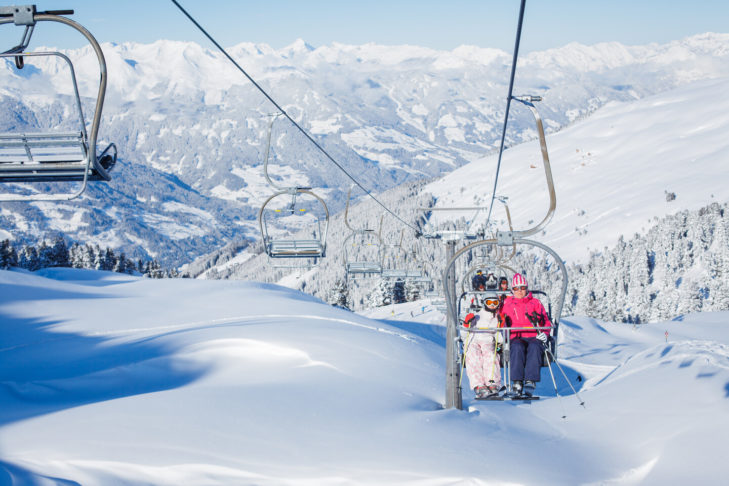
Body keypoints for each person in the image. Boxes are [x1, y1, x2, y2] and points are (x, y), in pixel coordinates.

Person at [500, 273, 551, 397]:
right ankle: (517, 382)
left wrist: (545, 333)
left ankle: (530, 381)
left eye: (522, 288)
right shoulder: (507, 304)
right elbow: (501, 320)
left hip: (534, 336)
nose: (519, 291)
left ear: (526, 288)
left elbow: (546, 321)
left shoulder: (535, 303)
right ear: (512, 290)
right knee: (517, 347)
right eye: (516, 288)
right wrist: (504, 329)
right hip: (516, 336)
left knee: (535, 346)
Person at [462, 292, 503, 398]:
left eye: (495, 302)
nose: (492, 305)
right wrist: (467, 324)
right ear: (484, 303)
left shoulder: (497, 318)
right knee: (473, 355)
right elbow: (464, 333)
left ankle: (492, 383)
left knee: (490, 355)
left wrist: (500, 338)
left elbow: (499, 336)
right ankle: (478, 385)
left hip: (488, 341)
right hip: (473, 340)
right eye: (489, 302)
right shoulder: (477, 316)